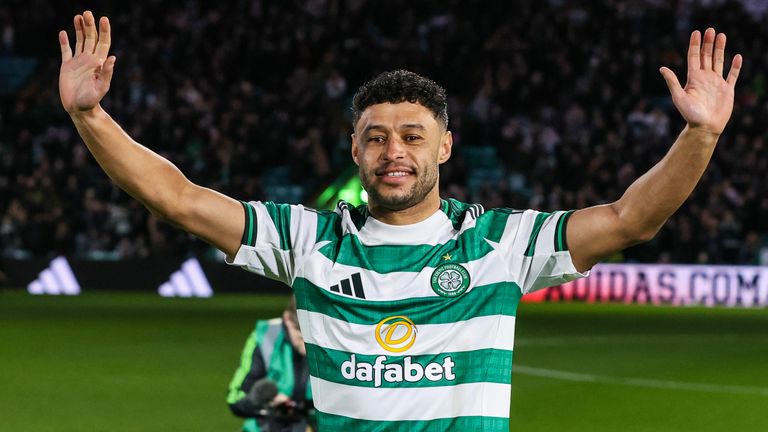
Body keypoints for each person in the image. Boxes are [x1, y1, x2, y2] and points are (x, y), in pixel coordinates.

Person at [58, 10, 741, 431]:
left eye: (413, 137)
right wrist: (90, 116)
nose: (394, 152)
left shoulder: (500, 242)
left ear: (443, 147)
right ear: (354, 150)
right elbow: (176, 197)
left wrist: (701, 136)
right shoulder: (308, 240)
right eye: (377, 137)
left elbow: (629, 220)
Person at [227, 297, 314, 432]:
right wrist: (263, 401)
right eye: (300, 335)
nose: (307, 344)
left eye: (312, 336)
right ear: (287, 319)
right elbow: (235, 399)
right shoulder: (266, 336)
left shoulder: (333, 337)